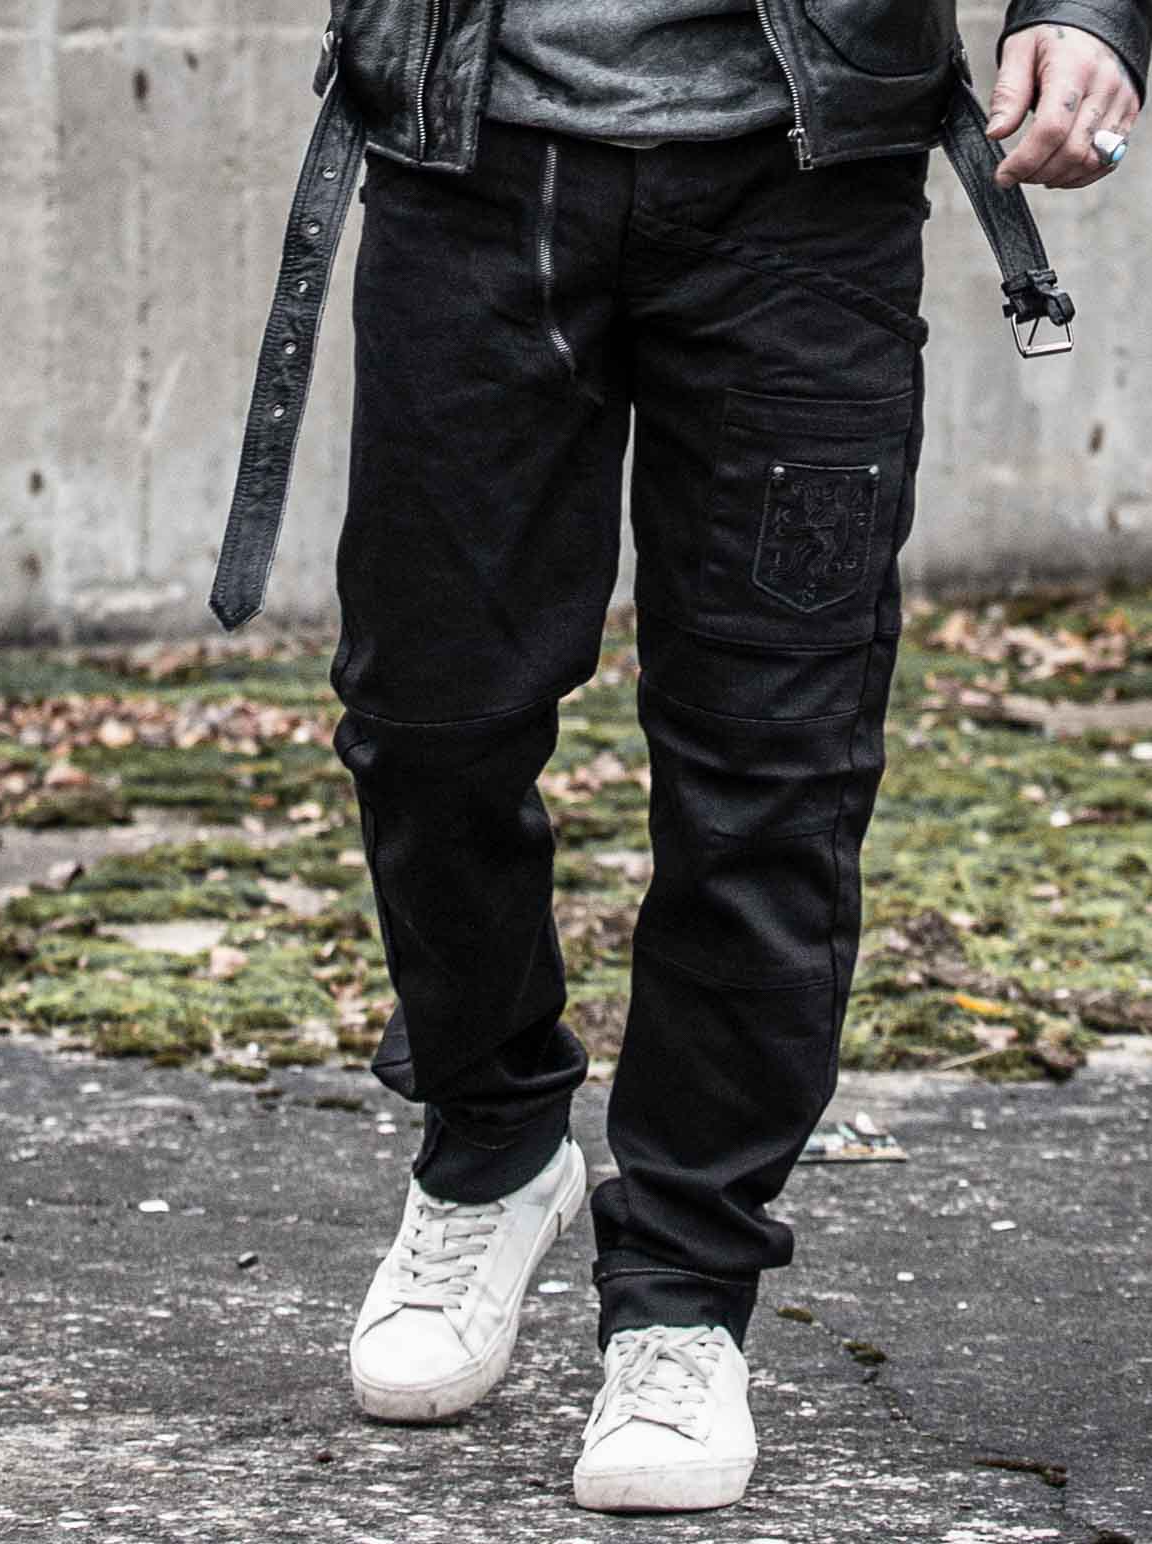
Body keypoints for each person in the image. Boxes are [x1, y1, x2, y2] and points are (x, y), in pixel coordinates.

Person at [210, 0, 1145, 1515]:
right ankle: (494, 1144)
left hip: (803, 187)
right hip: (469, 159)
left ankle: (683, 1294)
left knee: (772, 767)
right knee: (427, 724)